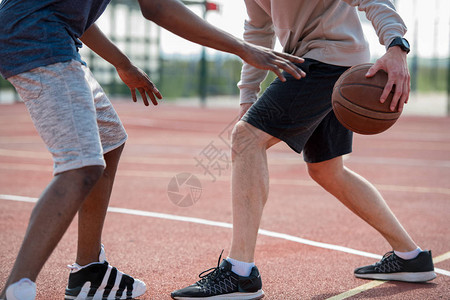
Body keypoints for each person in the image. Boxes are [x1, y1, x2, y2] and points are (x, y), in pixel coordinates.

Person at [0, 0, 305, 299]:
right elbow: (158, 7)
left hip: (49, 34)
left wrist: (123, 63)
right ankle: (18, 286)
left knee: (110, 141)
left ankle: (88, 271)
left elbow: (77, 14)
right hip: (39, 38)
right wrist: (243, 49)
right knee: (81, 166)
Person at [171, 0, 436, 299]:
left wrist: (396, 46)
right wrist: (248, 95)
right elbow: (258, 30)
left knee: (246, 138)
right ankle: (411, 257)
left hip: (326, 60)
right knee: (327, 170)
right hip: (325, 61)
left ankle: (239, 273)